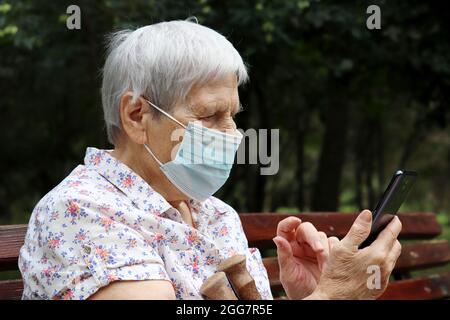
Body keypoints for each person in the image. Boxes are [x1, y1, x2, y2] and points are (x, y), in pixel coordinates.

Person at [18, 20, 402, 300]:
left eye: (233, 115)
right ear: (136, 116)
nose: (233, 134)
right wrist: (333, 298)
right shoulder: (80, 212)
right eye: (210, 115)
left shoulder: (215, 214)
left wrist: (305, 296)